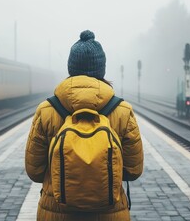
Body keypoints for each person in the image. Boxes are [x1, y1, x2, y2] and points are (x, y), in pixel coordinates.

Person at [25, 30, 143, 221]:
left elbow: (35, 171)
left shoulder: (46, 110)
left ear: (71, 68)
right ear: (101, 69)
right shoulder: (123, 111)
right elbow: (133, 171)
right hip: (110, 213)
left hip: (56, 212)